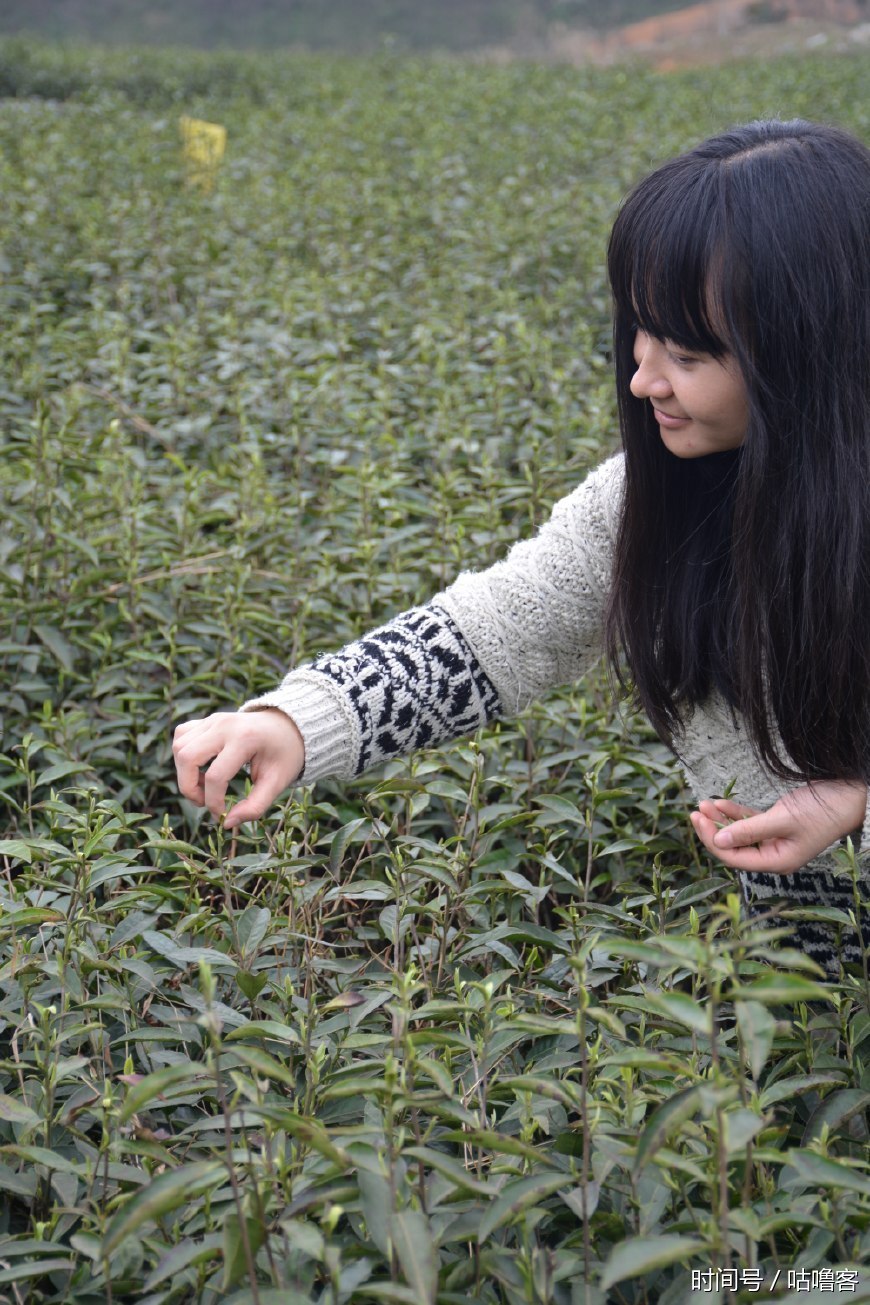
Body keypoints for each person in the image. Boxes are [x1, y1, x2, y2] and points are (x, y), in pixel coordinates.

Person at [173, 119, 870, 975]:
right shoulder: (655, 494)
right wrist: (295, 721)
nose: (644, 378)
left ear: (807, 350)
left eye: (687, 351)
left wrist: (853, 801)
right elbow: (499, 631)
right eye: (639, 334)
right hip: (806, 976)